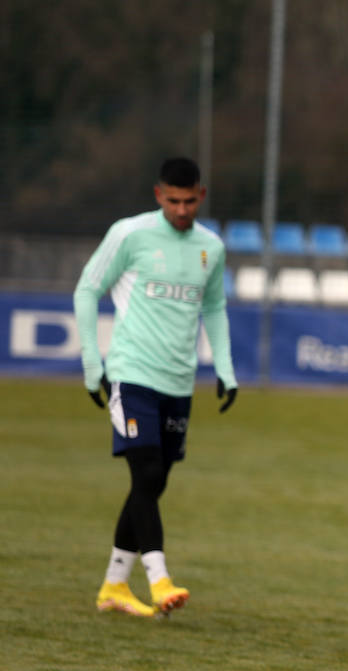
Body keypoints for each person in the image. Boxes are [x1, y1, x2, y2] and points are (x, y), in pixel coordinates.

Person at [74, 156, 238, 618]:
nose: (181, 210)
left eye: (189, 201)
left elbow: (215, 308)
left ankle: (113, 586)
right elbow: (87, 290)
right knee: (145, 473)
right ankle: (159, 578)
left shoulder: (212, 246)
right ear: (157, 195)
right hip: (131, 373)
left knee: (154, 482)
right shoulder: (129, 234)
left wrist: (225, 368)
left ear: (201, 196)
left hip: (178, 382)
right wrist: (93, 365)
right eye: (173, 201)